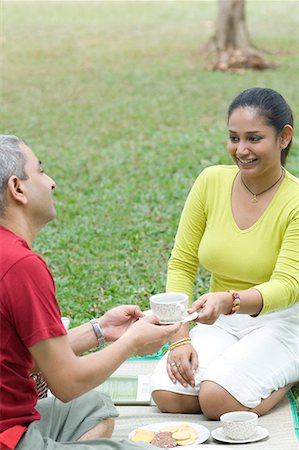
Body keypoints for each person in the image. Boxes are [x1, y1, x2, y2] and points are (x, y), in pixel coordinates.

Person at [0, 135, 182, 450]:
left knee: (94, 407)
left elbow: (26, 358)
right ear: (18, 188)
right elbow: (67, 383)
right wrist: (132, 342)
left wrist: (102, 329)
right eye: (41, 172)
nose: (52, 182)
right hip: (9, 436)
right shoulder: (20, 265)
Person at [150, 87, 299, 419]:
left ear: (284, 137)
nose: (241, 150)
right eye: (234, 138)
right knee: (167, 394)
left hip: (281, 321)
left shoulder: (295, 200)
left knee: (216, 400)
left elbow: (287, 286)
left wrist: (229, 300)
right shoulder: (210, 181)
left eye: (254, 138)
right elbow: (183, 261)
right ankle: (238, 374)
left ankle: (289, 373)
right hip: (221, 319)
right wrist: (180, 337)